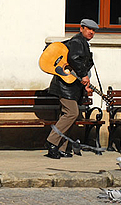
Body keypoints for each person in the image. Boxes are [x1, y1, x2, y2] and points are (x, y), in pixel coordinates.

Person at [45, 18, 98, 159]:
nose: (91, 32)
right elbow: (74, 59)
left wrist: (86, 84)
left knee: (67, 115)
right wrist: (83, 75)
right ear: (81, 28)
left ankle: (61, 147)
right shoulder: (77, 42)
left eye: (93, 30)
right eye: (88, 29)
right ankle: (51, 142)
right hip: (64, 87)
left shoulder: (83, 43)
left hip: (72, 87)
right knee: (72, 113)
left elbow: (80, 66)